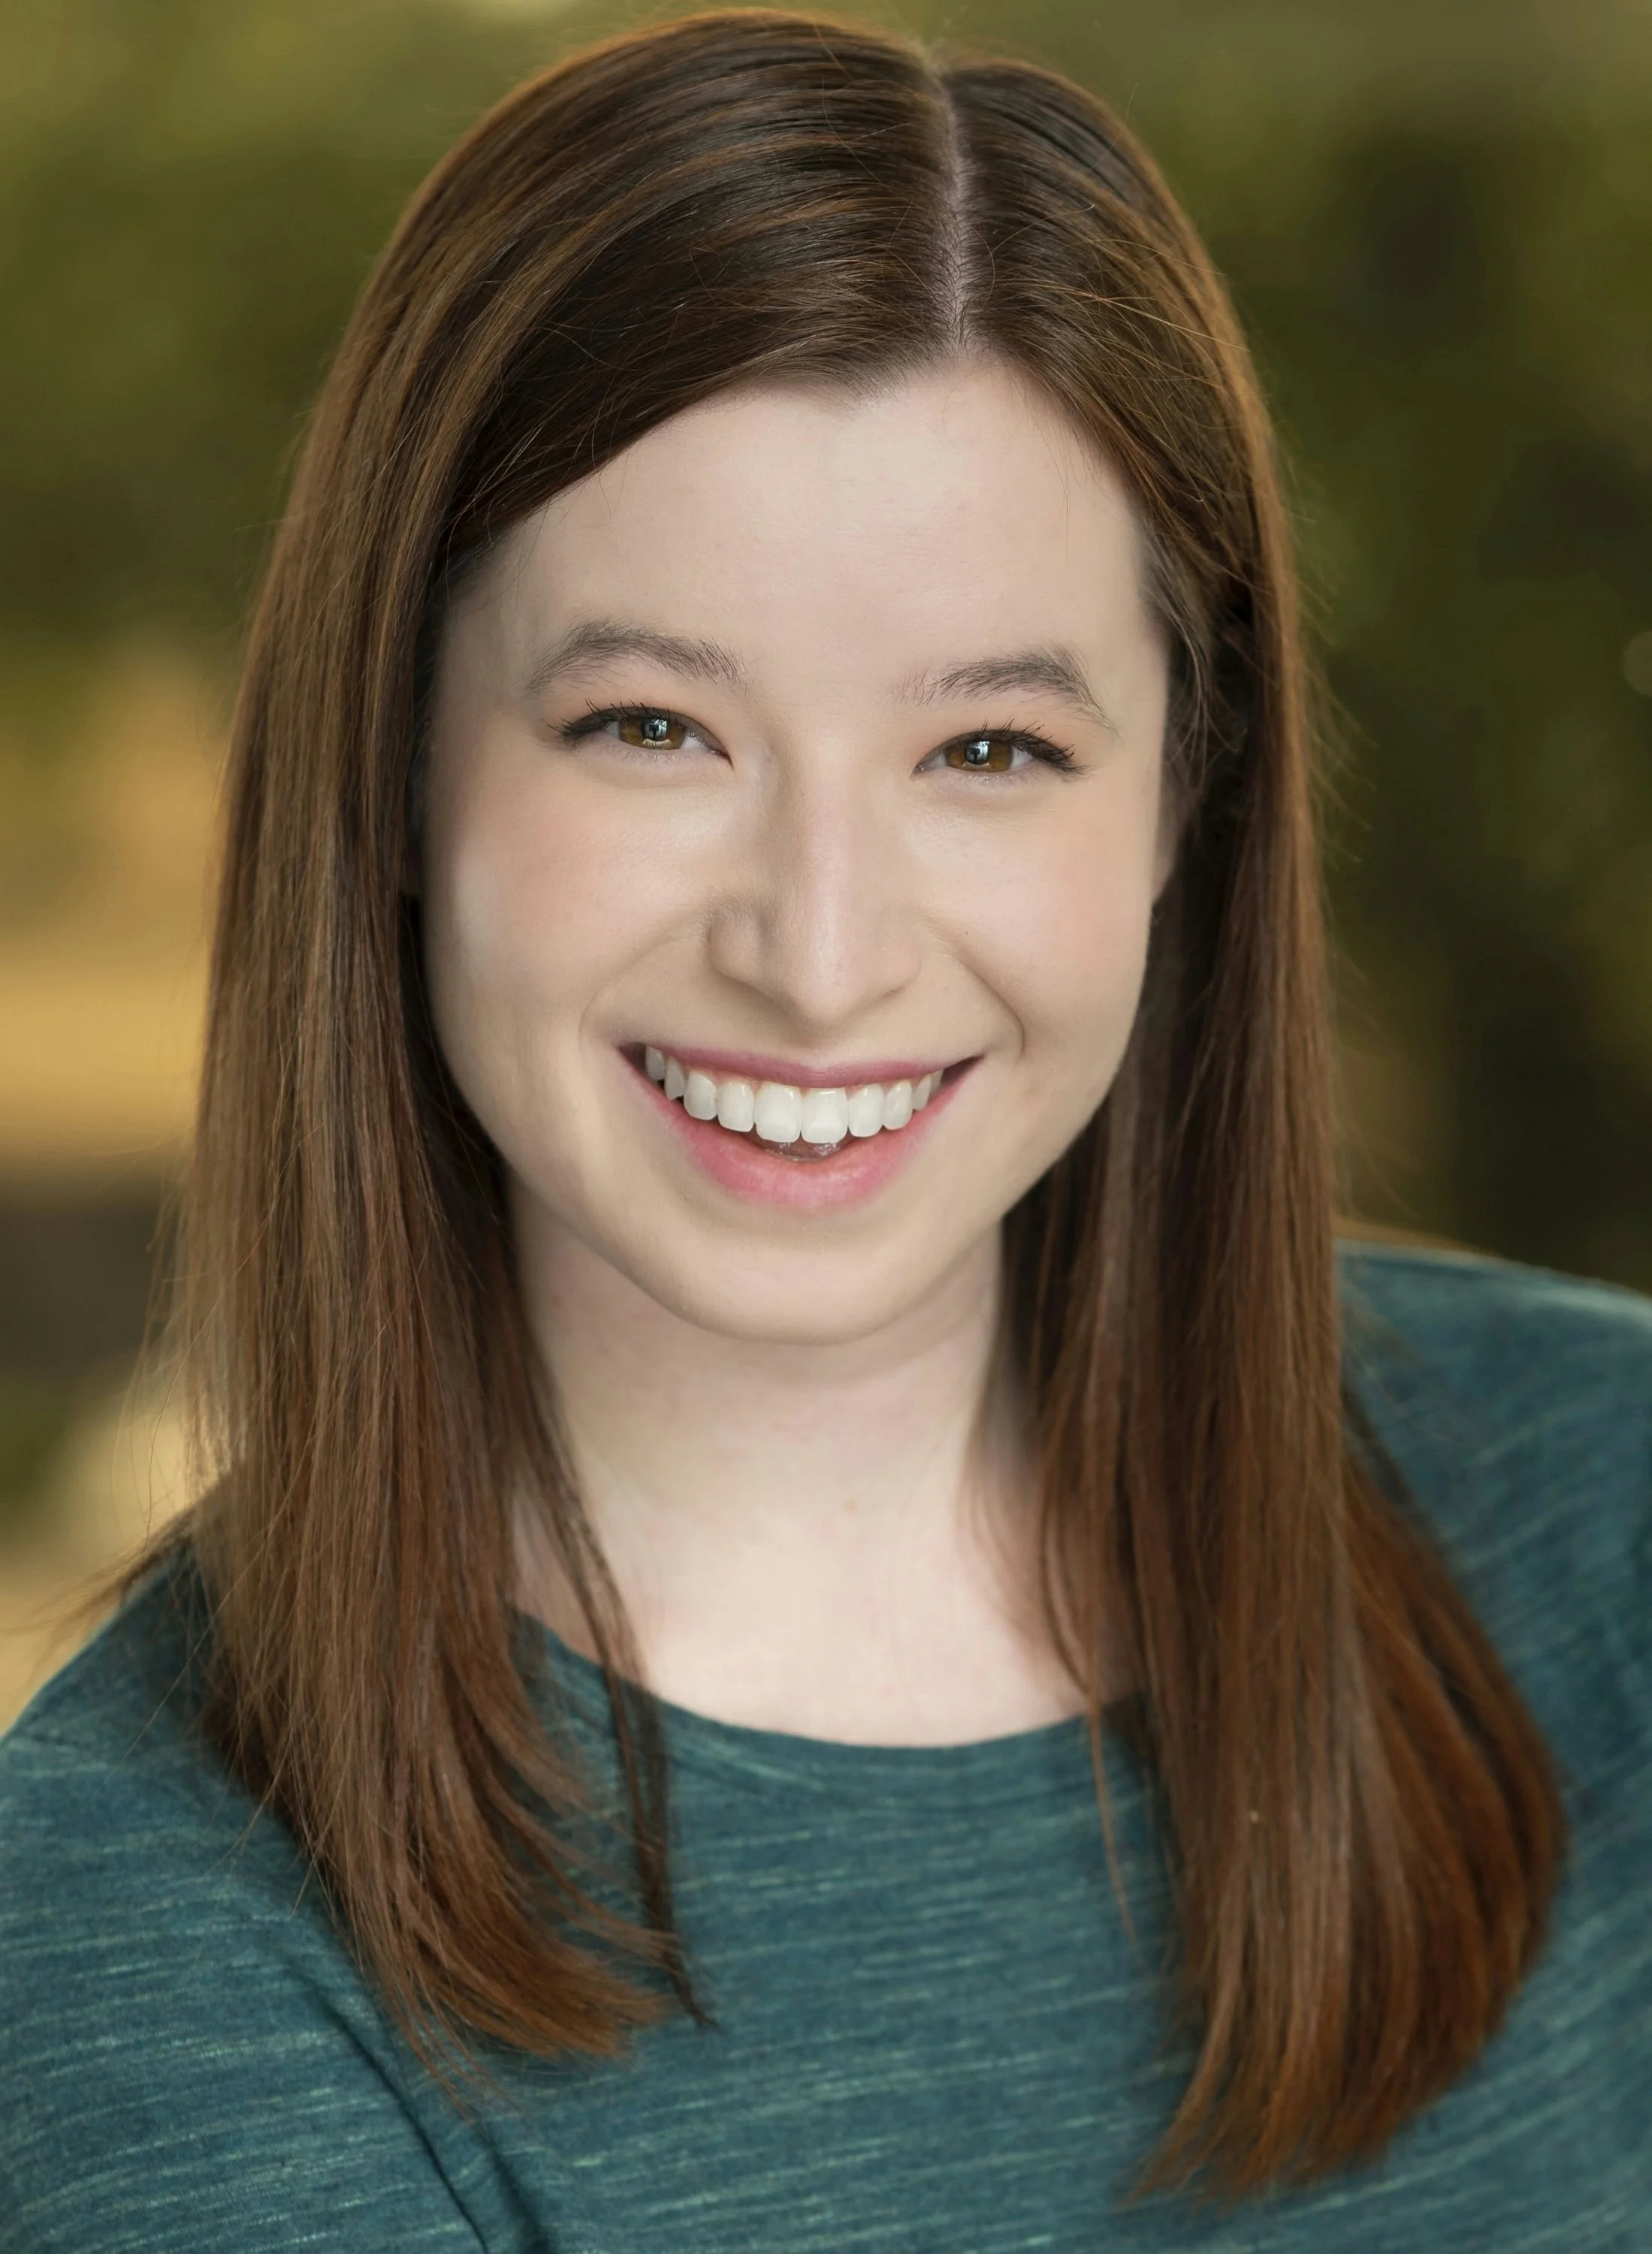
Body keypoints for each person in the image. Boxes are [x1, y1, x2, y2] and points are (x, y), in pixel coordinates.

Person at [2, 9, 1647, 2247]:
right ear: (393, 764)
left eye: (987, 751)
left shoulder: (1604, 1515)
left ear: (1189, 801)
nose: (818, 946)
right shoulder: (140, 1950)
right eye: (651, 724)